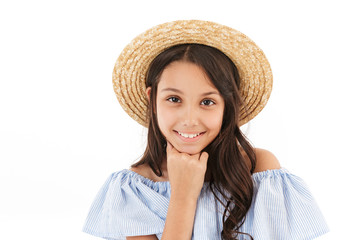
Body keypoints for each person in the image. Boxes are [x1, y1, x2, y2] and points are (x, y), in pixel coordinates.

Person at [82, 20, 329, 240]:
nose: (190, 119)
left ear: (227, 106)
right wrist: (183, 195)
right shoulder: (135, 187)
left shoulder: (259, 171)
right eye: (174, 99)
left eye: (207, 102)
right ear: (152, 99)